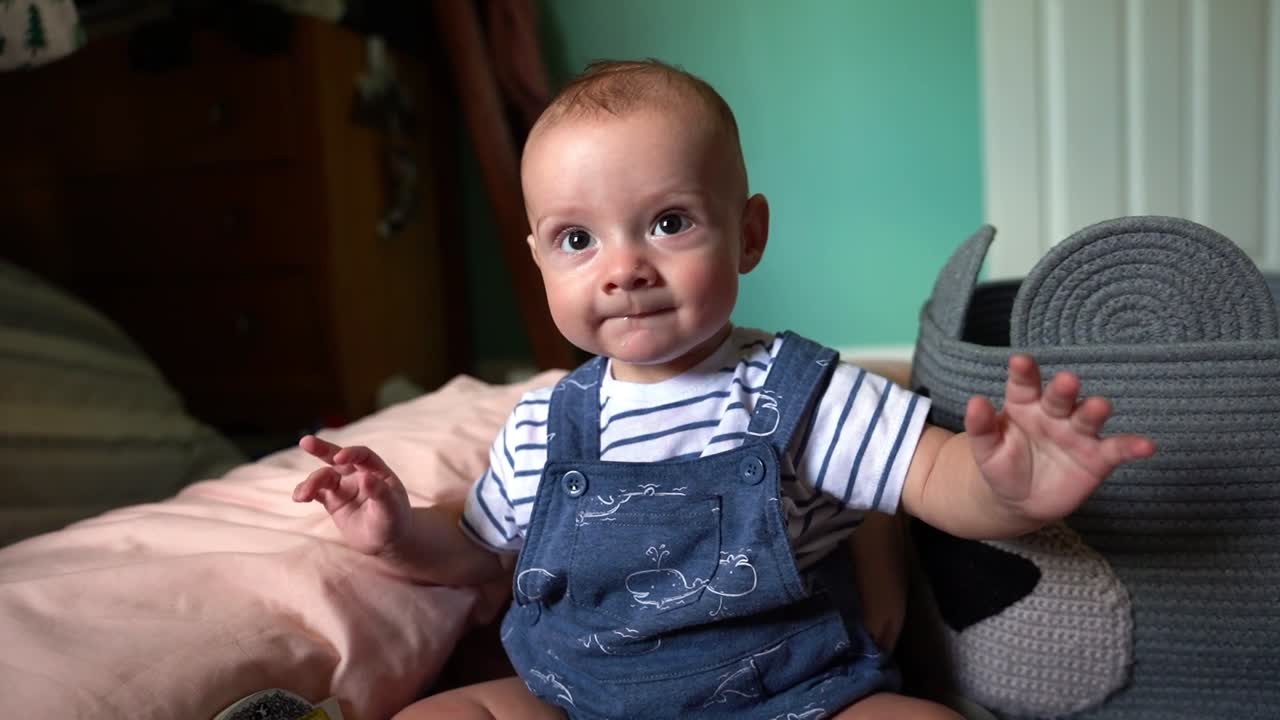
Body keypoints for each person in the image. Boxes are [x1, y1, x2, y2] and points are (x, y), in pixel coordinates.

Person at [292, 60, 1155, 719]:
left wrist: (1007, 486)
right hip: (577, 695)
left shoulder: (801, 391)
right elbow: (478, 554)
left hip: (785, 694)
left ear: (748, 234)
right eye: (577, 239)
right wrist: (396, 529)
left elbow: (930, 476)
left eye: (669, 223)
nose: (625, 268)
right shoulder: (545, 424)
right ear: (538, 261)